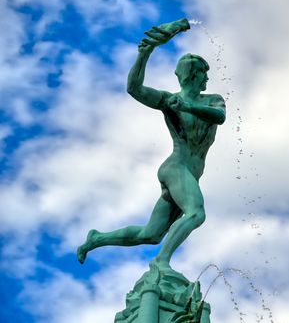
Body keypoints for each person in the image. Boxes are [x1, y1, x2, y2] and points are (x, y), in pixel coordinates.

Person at [77, 23, 226, 268]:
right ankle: (161, 262)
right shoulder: (169, 100)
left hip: (189, 174)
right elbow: (134, 89)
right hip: (176, 168)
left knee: (151, 234)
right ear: (193, 74)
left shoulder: (212, 100)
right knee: (196, 213)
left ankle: (96, 239)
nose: (207, 78)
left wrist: (188, 107)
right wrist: (144, 53)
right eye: (203, 73)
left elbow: (219, 117)